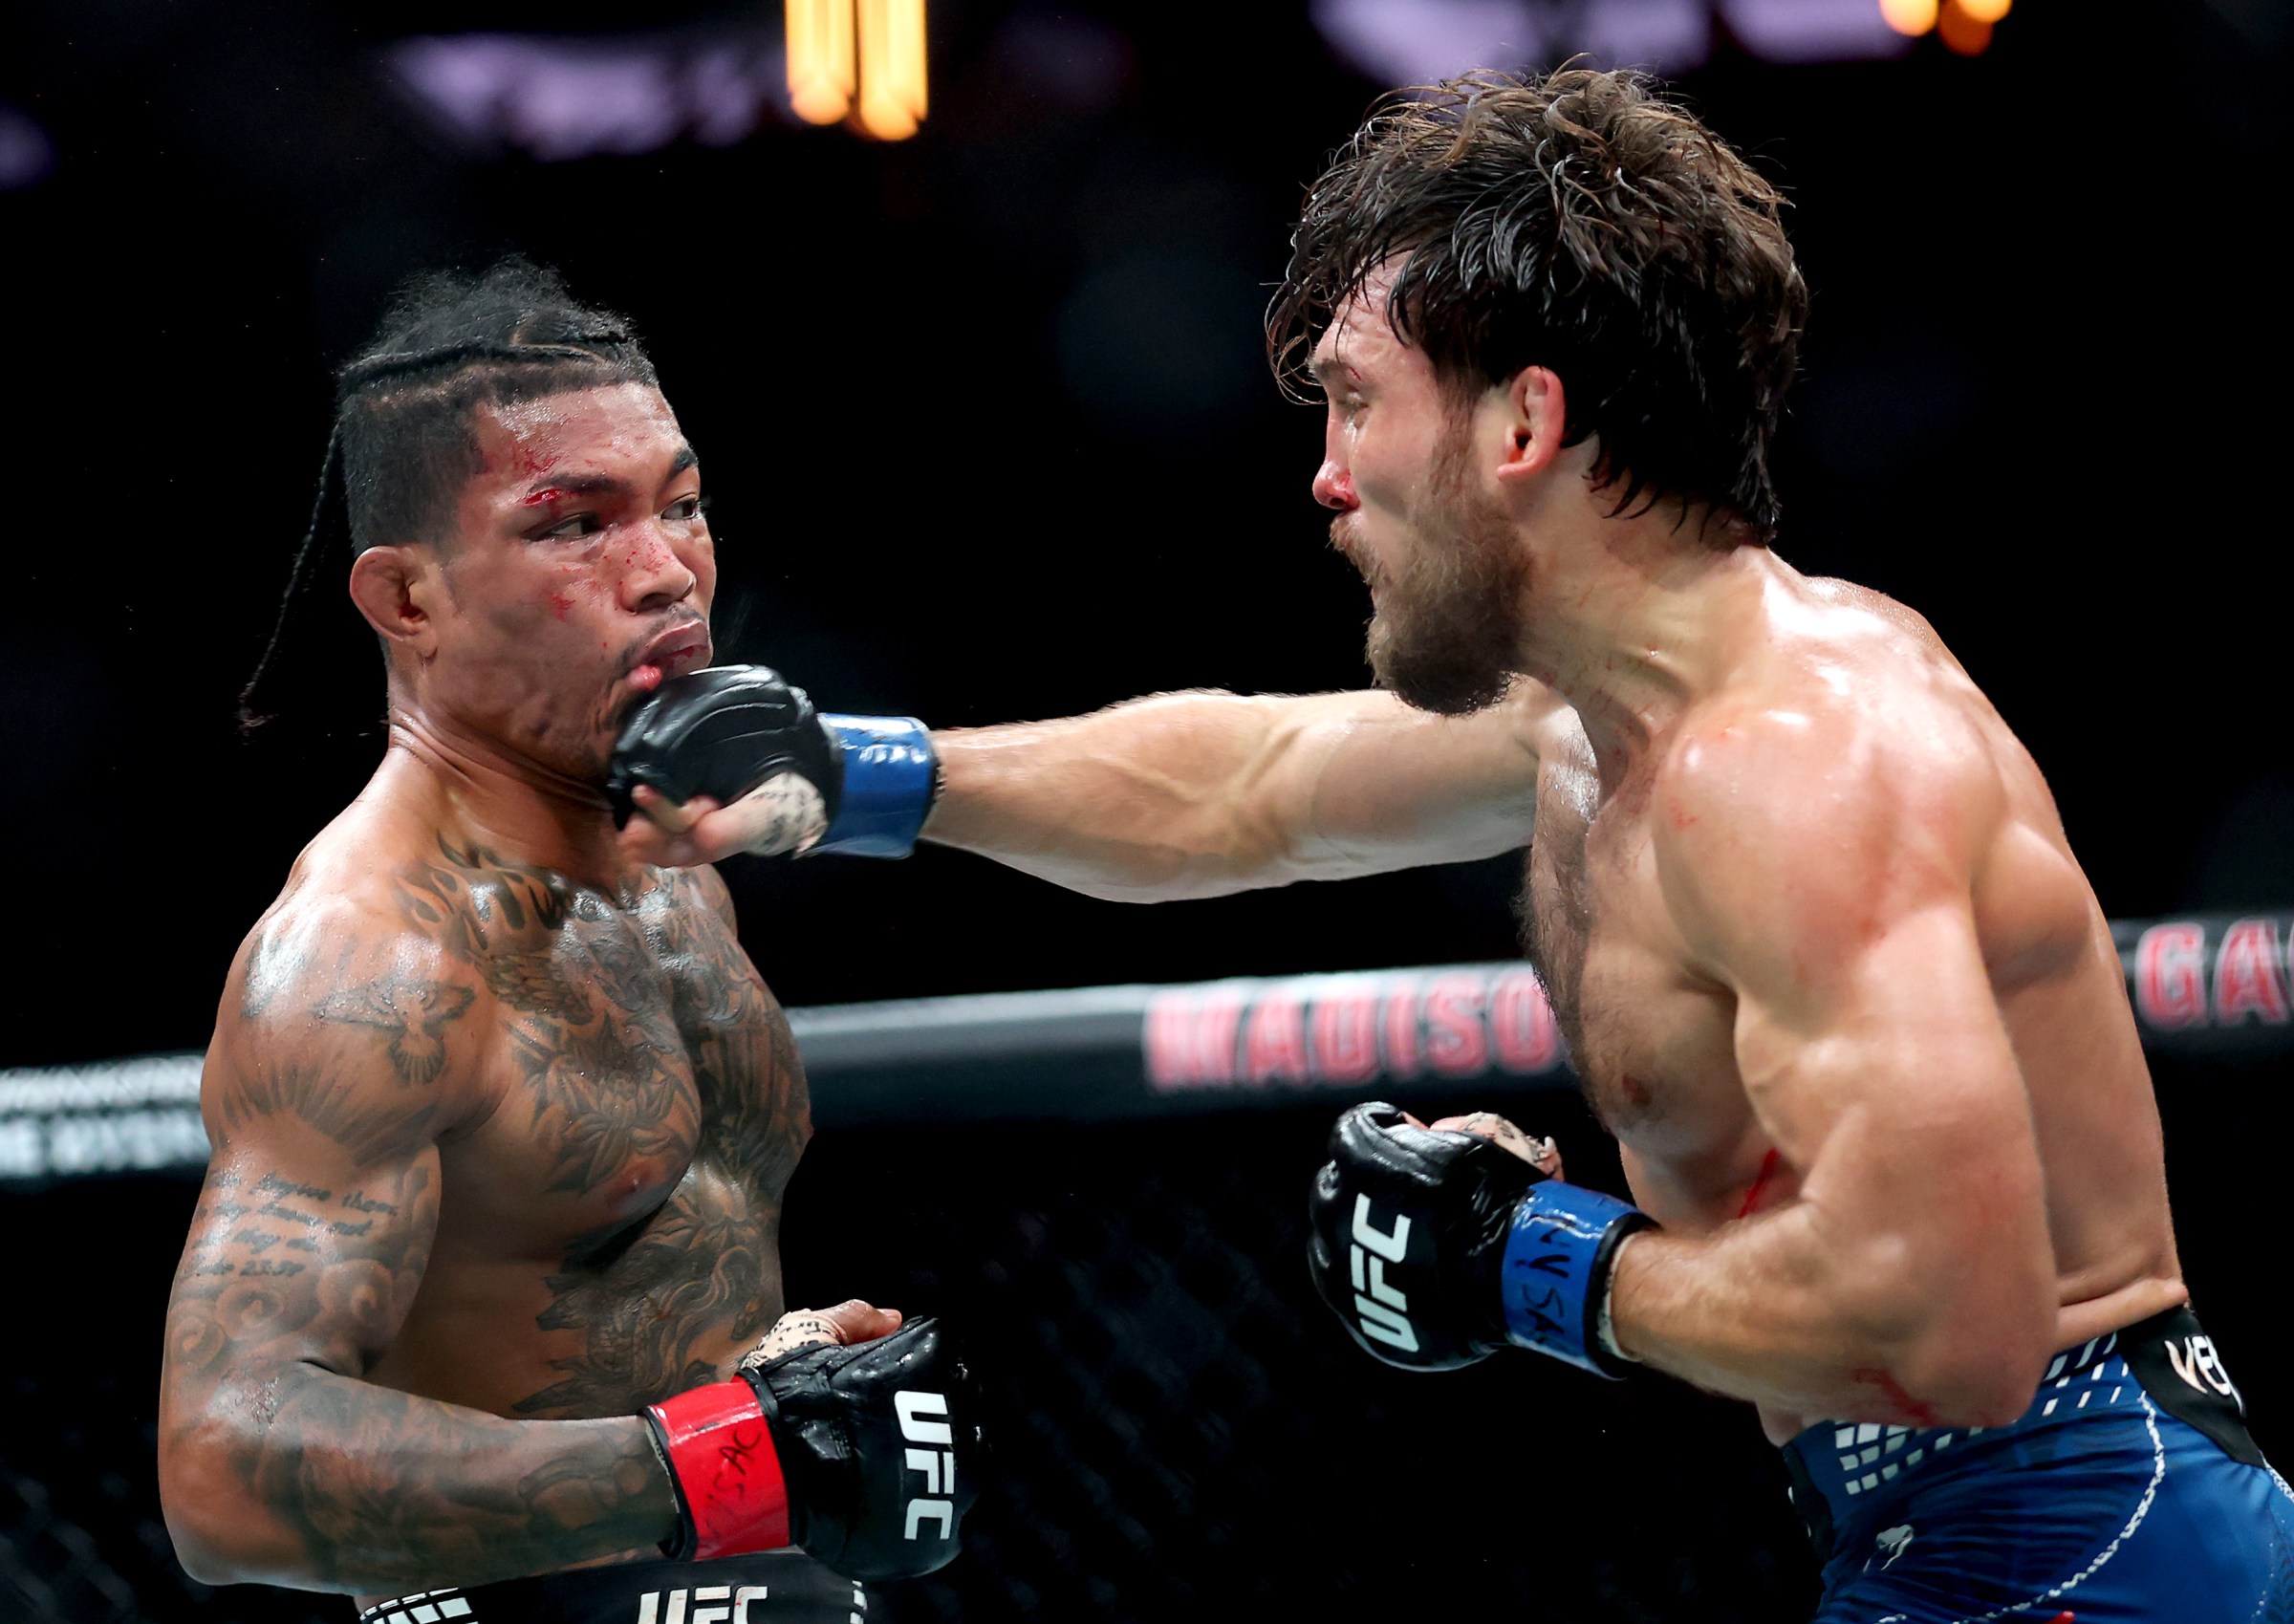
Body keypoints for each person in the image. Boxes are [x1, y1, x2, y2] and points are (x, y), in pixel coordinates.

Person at [620, 70, 2294, 1620]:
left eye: (1357, 404)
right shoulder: (1600, 716)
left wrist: (1533, 1264)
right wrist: (856, 773)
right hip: (1981, 1526)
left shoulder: (1804, 768)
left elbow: (1958, 1326)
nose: (1328, 478)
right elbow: (1250, 785)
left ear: (1522, 426)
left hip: (2087, 1532)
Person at [157, 260, 976, 1624]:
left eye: (683, 505)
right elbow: (220, 1470)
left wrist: (774, 1399)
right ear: (408, 601)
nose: (666, 573)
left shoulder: (669, 874)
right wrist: (728, 1462)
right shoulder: (373, 955)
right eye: (574, 525)